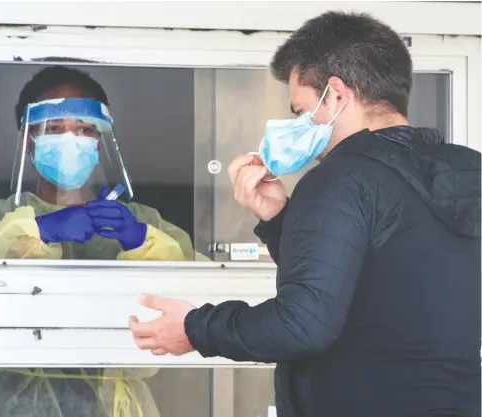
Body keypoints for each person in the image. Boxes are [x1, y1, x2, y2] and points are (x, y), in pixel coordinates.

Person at [129, 11, 481, 417]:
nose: (296, 124)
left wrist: (195, 328)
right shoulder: (468, 173)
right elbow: (371, 287)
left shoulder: (342, 178)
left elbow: (303, 324)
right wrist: (281, 220)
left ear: (335, 95)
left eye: (300, 110)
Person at [0, 66, 206, 417]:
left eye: (85, 129)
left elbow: (197, 297)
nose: (70, 140)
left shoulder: (142, 222)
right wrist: (40, 231)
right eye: (55, 128)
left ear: (100, 139)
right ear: (27, 139)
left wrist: (141, 242)